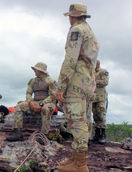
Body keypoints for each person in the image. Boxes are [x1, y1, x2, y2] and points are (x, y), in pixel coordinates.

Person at [56, 2, 99, 172]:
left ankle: (80, 164)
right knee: (84, 120)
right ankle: (76, 158)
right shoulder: (90, 32)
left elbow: (71, 60)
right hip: (87, 82)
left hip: (76, 82)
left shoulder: (76, 30)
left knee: (76, 121)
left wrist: (61, 86)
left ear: (72, 16)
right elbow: (92, 63)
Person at [8, 62, 57, 141]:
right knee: (19, 106)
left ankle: (44, 135)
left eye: (36, 69)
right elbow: (28, 93)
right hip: (35, 101)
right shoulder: (32, 81)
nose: (34, 71)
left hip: (48, 103)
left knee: (45, 109)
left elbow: (53, 96)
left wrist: (41, 104)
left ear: (41, 71)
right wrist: (31, 102)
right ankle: (18, 132)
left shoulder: (50, 81)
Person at [92, 60, 109, 144]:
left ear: (97, 64)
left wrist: (94, 82)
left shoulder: (103, 71)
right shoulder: (90, 71)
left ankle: (102, 135)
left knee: (101, 115)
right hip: (92, 98)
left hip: (101, 97)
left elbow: (105, 82)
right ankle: (97, 134)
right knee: (95, 116)